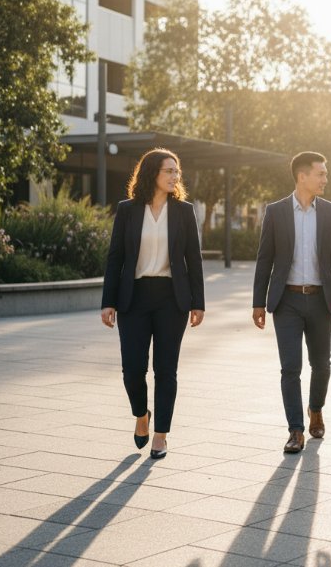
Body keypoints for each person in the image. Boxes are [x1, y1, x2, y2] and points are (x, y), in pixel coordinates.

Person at [101, 148, 205, 460]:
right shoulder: (128, 210)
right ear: (152, 174)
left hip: (171, 299)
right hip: (134, 298)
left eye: (177, 171)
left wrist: (198, 303)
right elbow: (115, 257)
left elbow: (194, 260)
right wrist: (108, 301)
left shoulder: (184, 211)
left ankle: (161, 434)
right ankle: (141, 415)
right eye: (168, 171)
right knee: (132, 370)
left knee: (166, 369)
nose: (175, 176)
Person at [252, 152, 331, 454]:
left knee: (322, 365)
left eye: (325, 173)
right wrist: (258, 302)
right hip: (287, 302)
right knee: (290, 368)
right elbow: (265, 258)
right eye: (320, 173)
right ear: (302, 176)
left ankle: (316, 409)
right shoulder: (276, 211)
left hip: (321, 300)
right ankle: (295, 430)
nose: (325, 179)